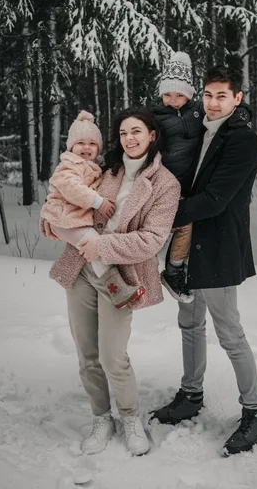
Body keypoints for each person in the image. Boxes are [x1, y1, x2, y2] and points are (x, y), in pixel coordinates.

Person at [41, 107, 181, 456]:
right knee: (87, 353)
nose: (129, 139)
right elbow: (64, 192)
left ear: (152, 135)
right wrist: (49, 217)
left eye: (136, 132)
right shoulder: (106, 171)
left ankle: (130, 417)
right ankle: (102, 417)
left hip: (121, 276)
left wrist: (102, 245)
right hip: (82, 268)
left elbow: (151, 240)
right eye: (122, 133)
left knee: (112, 354)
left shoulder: (166, 184)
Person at [150, 66, 257, 456]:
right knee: (189, 323)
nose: (212, 102)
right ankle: (190, 394)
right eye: (207, 94)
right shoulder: (202, 129)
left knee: (229, 333)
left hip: (218, 246)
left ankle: (256, 413)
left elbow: (216, 199)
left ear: (237, 98)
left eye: (221, 95)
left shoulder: (243, 140)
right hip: (189, 245)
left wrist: (162, 216)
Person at [41, 110, 144, 308]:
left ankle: (116, 289)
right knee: (96, 246)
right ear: (71, 146)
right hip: (64, 219)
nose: (86, 148)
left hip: (72, 219)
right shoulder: (69, 165)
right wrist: (99, 202)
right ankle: (119, 290)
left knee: (95, 248)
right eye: (80, 143)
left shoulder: (93, 166)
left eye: (92, 144)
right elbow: (72, 189)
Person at [149, 51, 204, 303]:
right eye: (167, 94)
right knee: (157, 230)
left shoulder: (198, 114)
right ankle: (138, 269)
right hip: (164, 186)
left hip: (190, 185)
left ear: (189, 95)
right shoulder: (154, 118)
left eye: (179, 95)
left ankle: (173, 271)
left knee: (186, 226)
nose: (173, 100)